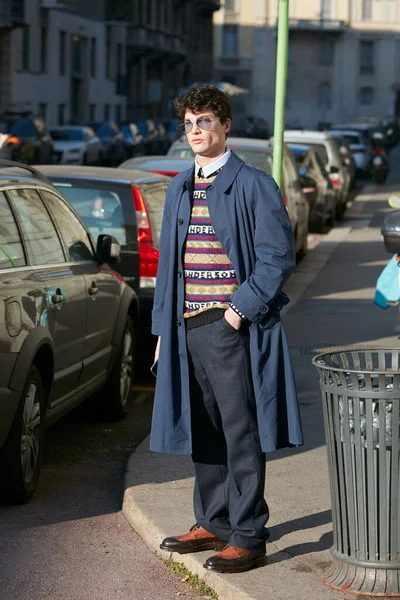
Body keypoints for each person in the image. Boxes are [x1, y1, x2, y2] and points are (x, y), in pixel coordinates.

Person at [150, 85, 303, 574]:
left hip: (228, 326)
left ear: (226, 125)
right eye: (189, 124)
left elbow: (278, 256)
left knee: (241, 433)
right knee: (205, 431)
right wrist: (161, 332)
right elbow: (169, 267)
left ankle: (249, 533)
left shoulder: (253, 184)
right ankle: (213, 522)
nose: (195, 131)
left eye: (205, 122)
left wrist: (239, 310)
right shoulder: (179, 187)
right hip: (186, 328)